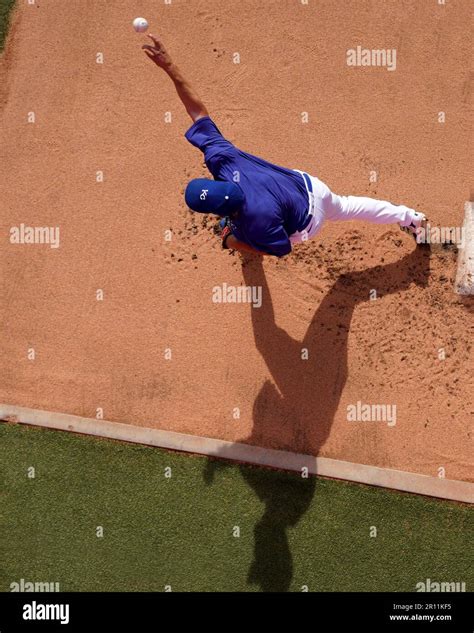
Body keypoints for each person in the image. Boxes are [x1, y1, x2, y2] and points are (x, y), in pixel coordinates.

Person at [143, 35, 427, 257]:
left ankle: (229, 232)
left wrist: (233, 241)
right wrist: (170, 66)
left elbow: (279, 248)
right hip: (312, 187)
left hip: (307, 223)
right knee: (347, 205)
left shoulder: (256, 220)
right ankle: (411, 218)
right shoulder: (224, 158)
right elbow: (198, 112)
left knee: (240, 235)